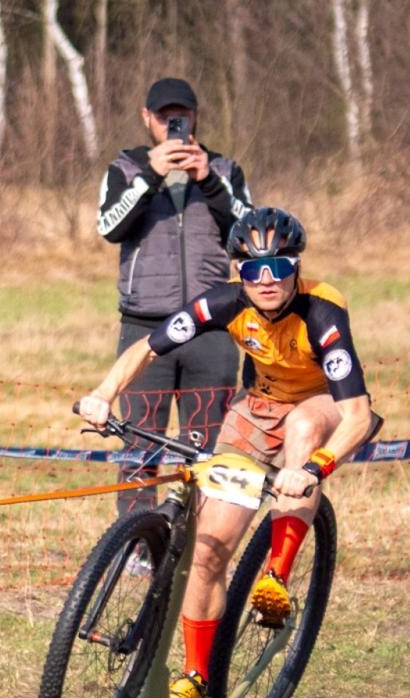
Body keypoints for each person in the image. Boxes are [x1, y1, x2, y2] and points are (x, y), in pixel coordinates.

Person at [76, 207, 377, 698]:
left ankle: (275, 577)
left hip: (320, 404)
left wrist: (312, 470)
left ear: (296, 268)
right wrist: (103, 394)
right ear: (239, 271)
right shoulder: (225, 302)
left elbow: (358, 416)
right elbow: (148, 348)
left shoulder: (322, 311)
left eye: (278, 267)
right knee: (209, 549)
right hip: (256, 409)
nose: (266, 280)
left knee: (303, 429)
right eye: (253, 269)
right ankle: (196, 676)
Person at [96, 77, 252, 516]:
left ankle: (201, 537)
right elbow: (110, 227)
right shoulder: (125, 168)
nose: (173, 126)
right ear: (146, 118)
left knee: (207, 445)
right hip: (145, 325)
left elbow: (250, 233)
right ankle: (137, 541)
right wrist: (151, 175)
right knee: (139, 444)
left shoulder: (225, 170)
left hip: (212, 326)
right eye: (164, 118)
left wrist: (209, 181)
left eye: (180, 117)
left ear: (195, 117)